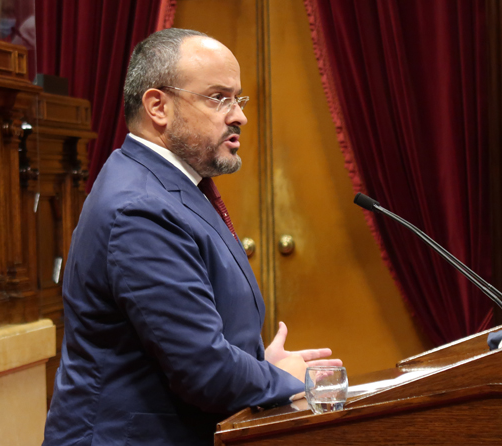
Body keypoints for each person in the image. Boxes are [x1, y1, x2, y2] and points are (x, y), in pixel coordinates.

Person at [42, 28, 341, 446]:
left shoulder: (168, 185)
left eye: (239, 98)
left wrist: (256, 361)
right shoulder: (140, 208)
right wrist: (279, 378)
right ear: (158, 106)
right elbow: (204, 372)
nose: (239, 116)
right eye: (219, 97)